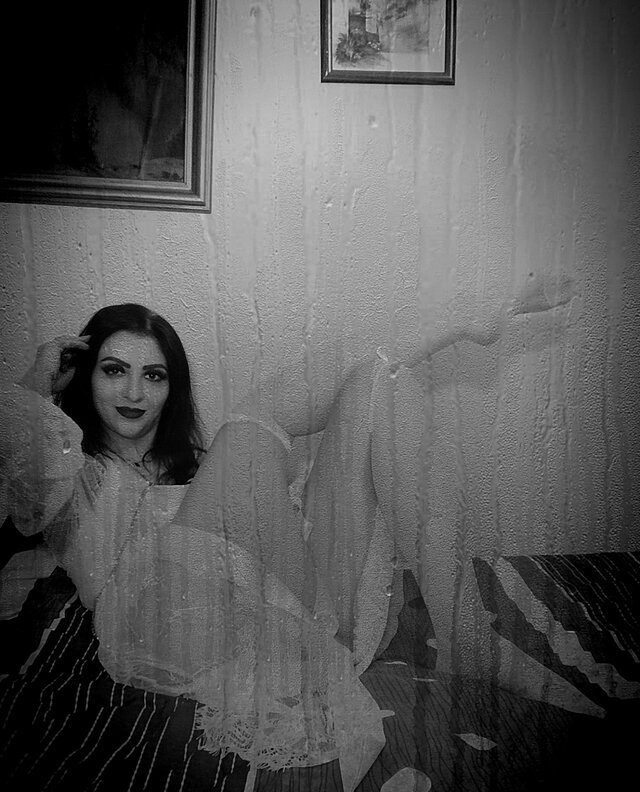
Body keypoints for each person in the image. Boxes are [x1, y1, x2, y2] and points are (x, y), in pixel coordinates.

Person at [0, 277, 575, 788]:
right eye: (114, 370)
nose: (133, 393)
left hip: (291, 621)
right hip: (166, 629)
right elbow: (15, 468)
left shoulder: (204, 472)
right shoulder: (70, 478)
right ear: (85, 379)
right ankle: (454, 317)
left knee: (379, 383)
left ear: (172, 389)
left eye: (153, 376)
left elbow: (275, 542)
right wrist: (33, 383)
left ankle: (465, 637)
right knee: (248, 424)